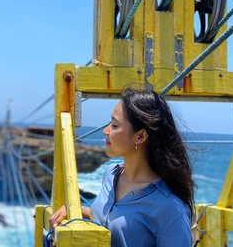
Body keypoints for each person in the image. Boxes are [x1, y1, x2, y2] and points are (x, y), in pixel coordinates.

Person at [49, 88, 195, 247]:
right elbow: (109, 220)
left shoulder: (171, 209)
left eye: (114, 125)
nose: (106, 131)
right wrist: (72, 214)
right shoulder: (110, 174)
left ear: (140, 136)